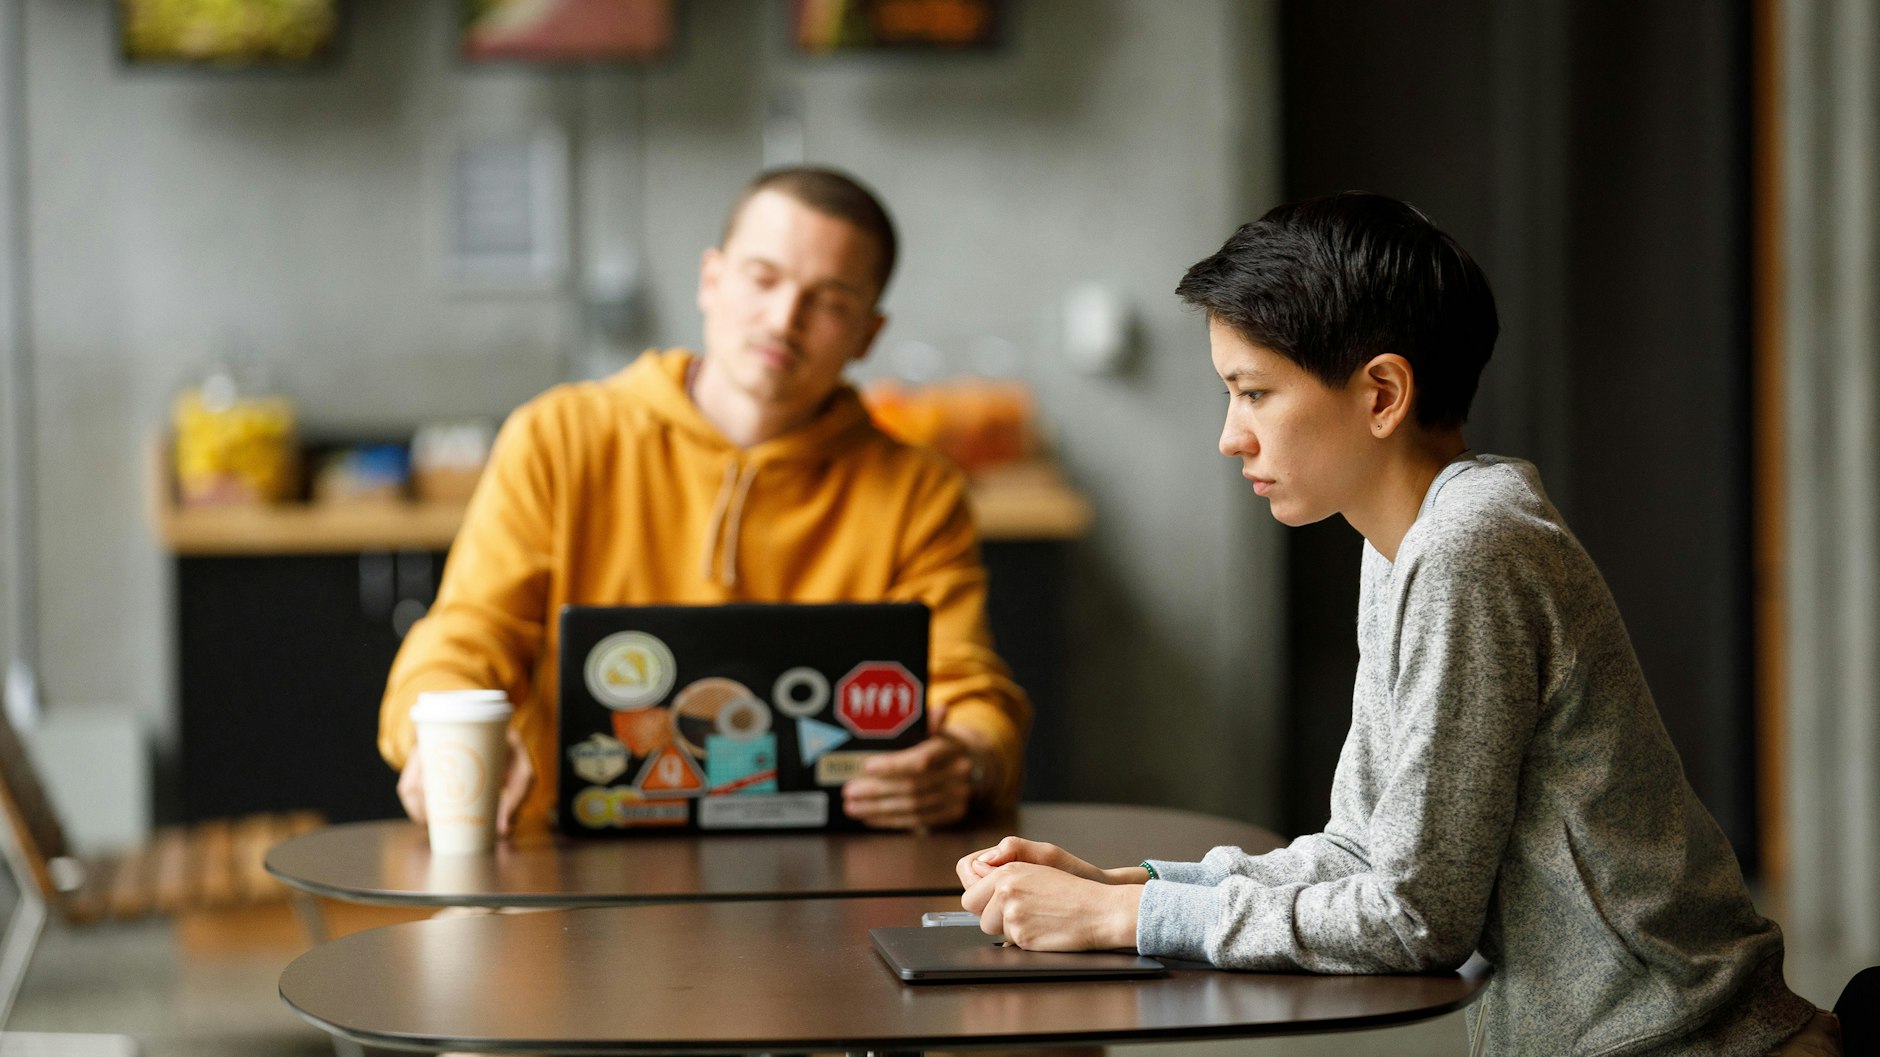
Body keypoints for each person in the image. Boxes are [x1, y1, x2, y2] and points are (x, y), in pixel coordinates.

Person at [955, 193, 1838, 1056]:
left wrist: (1132, 920)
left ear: (1382, 393)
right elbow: (1362, 848)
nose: (1231, 436)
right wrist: (1137, 885)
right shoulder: (1406, 541)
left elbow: (1416, 916)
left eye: (1254, 392)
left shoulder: (1470, 545)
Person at [380, 166, 1030, 836]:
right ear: (711, 279)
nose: (784, 320)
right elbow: (468, 632)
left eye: (830, 301)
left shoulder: (919, 491)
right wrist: (441, 729)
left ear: (868, 333)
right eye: (763, 278)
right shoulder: (559, 438)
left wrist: (968, 759)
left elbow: (968, 689)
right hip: (574, 863)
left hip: (834, 871)